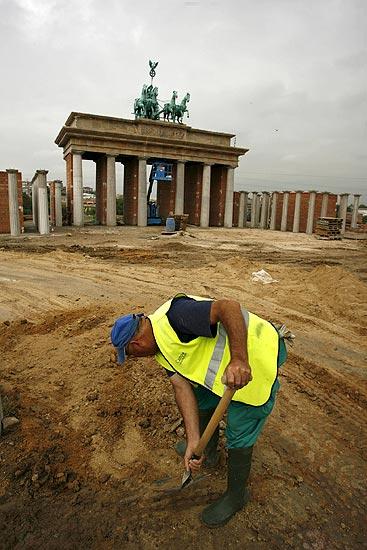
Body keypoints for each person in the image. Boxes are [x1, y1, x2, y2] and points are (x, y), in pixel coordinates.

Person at [111, 293, 291, 527]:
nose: (137, 359)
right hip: (227, 369)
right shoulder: (159, 348)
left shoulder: (176, 317)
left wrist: (238, 359)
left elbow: (229, 307)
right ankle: (210, 452)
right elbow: (181, 387)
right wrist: (194, 441)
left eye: (132, 356)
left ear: (136, 345)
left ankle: (236, 497)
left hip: (256, 353)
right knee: (202, 399)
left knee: (239, 427)